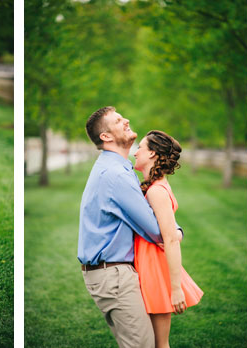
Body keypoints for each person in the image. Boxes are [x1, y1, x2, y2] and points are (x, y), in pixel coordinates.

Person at [78, 106, 182, 348]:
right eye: (117, 120)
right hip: (112, 275)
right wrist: (176, 232)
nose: (126, 120)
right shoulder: (116, 174)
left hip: (112, 272)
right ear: (106, 136)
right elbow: (157, 231)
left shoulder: (118, 168)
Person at [133, 130, 203, 348]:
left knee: (160, 344)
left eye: (140, 148)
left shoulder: (157, 191)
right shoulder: (153, 187)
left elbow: (171, 240)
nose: (135, 153)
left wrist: (175, 289)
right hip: (148, 265)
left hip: (155, 270)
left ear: (152, 153)